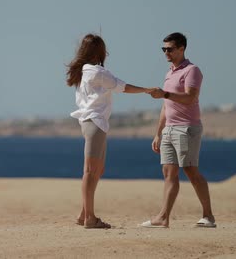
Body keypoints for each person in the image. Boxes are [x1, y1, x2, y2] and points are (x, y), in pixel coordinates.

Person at [67, 33, 154, 229]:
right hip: (95, 123)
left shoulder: (83, 71)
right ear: (99, 51)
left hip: (91, 123)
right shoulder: (97, 72)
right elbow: (122, 87)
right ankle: (89, 218)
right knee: (90, 171)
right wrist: (147, 90)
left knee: (96, 170)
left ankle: (84, 214)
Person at [140, 32, 216, 228]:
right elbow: (166, 105)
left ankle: (208, 216)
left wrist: (164, 93)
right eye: (163, 49)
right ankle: (163, 217)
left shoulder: (192, 70)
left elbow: (190, 98)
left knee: (191, 171)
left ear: (181, 49)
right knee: (169, 173)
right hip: (169, 130)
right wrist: (158, 132)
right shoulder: (169, 72)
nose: (166, 52)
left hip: (187, 128)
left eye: (170, 49)